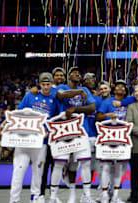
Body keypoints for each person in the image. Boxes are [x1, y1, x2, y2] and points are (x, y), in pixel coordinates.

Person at [0, 72, 59, 203]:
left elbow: (54, 120)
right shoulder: (30, 95)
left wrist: (49, 131)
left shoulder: (55, 98)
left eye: (48, 84)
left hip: (41, 141)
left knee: (38, 171)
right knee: (18, 171)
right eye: (43, 84)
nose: (45, 87)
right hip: (24, 139)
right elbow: (17, 112)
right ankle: (14, 199)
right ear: (39, 84)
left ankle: (35, 197)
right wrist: (5, 123)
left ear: (51, 84)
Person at [49, 66, 96, 203]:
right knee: (59, 164)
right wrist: (78, 91)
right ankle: (53, 196)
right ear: (68, 76)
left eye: (78, 73)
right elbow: (61, 96)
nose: (77, 74)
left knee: (85, 163)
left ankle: (85, 195)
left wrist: (76, 108)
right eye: (74, 72)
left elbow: (92, 107)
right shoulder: (61, 87)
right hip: (63, 131)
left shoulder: (85, 90)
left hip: (82, 131)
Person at [96, 79, 134, 203]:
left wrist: (123, 102)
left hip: (123, 139)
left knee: (119, 168)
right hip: (107, 138)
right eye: (118, 87)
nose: (120, 89)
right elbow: (98, 117)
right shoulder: (107, 102)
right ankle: (105, 194)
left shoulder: (129, 102)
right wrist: (108, 115)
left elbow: (135, 98)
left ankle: (116, 195)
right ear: (113, 89)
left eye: (123, 87)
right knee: (105, 167)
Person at [40, 67, 66, 201]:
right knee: (44, 166)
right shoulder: (50, 91)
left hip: (60, 134)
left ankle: (53, 195)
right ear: (52, 78)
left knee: (57, 166)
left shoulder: (66, 90)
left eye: (62, 75)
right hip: (47, 134)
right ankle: (41, 194)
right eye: (57, 75)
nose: (60, 77)